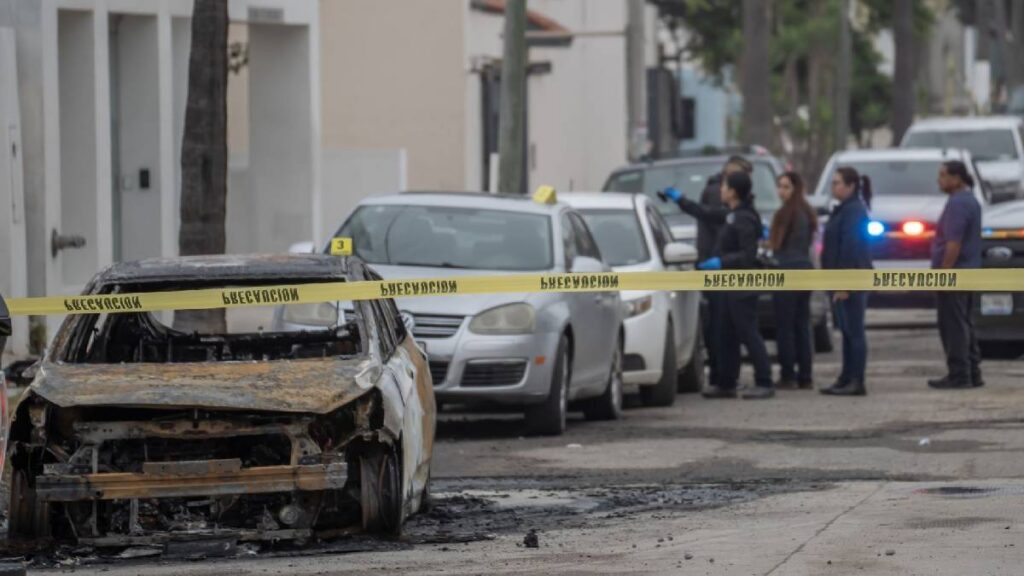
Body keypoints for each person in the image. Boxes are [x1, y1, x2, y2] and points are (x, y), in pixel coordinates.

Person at [670, 171, 773, 399]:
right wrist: (680, 200)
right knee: (725, 334)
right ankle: (726, 382)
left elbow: (748, 255)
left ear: (734, 191)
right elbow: (705, 213)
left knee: (748, 332)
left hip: (742, 286)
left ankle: (764, 381)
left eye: (725, 187)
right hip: (728, 285)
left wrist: (721, 262)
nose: (721, 190)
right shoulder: (732, 214)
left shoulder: (744, 217)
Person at [662, 156, 753, 391]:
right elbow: (708, 215)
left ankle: (724, 379)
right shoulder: (724, 201)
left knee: (725, 328)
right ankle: (724, 378)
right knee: (723, 329)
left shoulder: (737, 210)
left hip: (723, 269)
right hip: (720, 272)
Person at [928, 161, 983, 389]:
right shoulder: (970, 200)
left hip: (956, 272)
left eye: (943, 175)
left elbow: (953, 243)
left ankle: (959, 374)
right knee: (964, 321)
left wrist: (944, 272)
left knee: (953, 324)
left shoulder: (958, 204)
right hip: (969, 271)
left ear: (957, 178)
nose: (939, 180)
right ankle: (972, 371)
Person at [820, 167, 873, 396]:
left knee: (854, 331)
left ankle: (856, 380)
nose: (834, 187)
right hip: (840, 278)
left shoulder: (854, 211)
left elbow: (850, 249)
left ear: (851, 186)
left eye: (837, 183)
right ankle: (845, 376)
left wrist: (843, 283)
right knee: (847, 331)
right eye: (833, 183)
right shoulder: (844, 209)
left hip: (851, 279)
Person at [768, 171, 817, 389]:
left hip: (787, 271)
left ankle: (788, 374)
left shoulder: (785, 214)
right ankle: (805, 375)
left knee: (785, 326)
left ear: (795, 188)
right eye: (780, 186)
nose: (781, 191)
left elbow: (778, 247)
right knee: (802, 325)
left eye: (786, 187)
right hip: (804, 271)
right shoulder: (807, 212)